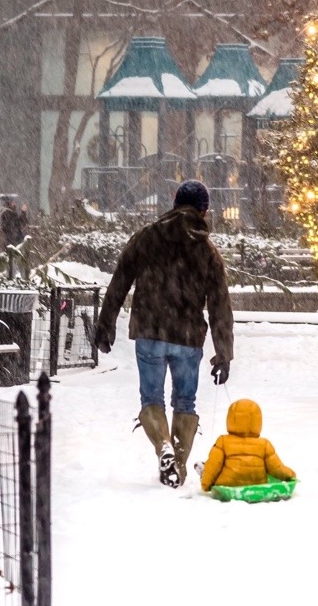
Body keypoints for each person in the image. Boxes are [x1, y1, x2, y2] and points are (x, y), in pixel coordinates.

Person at [94, 180, 234, 489]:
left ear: (173, 203)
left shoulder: (147, 237)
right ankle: (178, 466)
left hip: (150, 331)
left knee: (151, 397)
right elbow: (220, 304)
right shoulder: (207, 251)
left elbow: (120, 280)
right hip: (187, 337)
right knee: (185, 401)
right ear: (204, 210)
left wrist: (106, 324)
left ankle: (163, 448)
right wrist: (223, 352)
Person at [200, 398, 294, 492]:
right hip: (257, 486)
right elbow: (276, 468)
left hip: (228, 486)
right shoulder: (264, 444)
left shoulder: (223, 441)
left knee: (210, 468)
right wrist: (290, 475)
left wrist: (206, 484)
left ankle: (201, 472)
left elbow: (213, 465)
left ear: (231, 418)